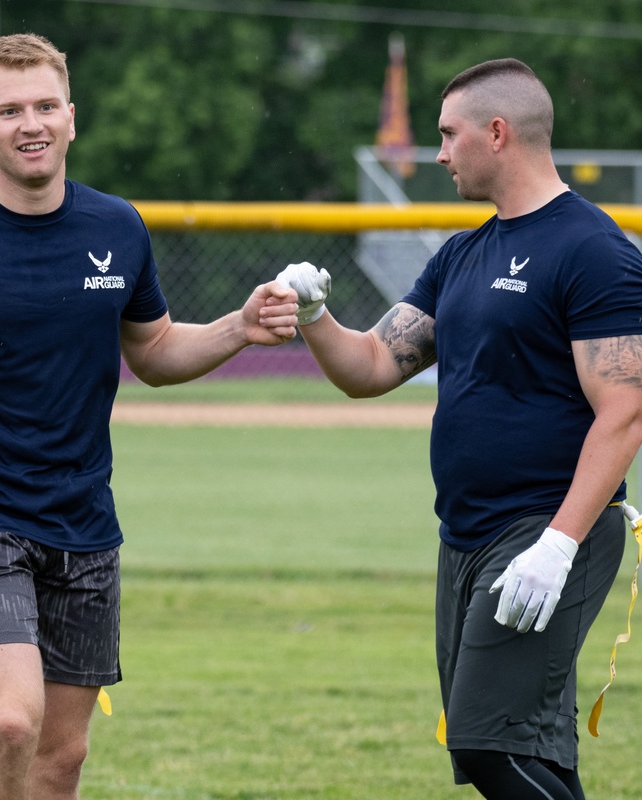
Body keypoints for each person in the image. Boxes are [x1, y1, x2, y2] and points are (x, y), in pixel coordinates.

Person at [0, 33, 299, 800]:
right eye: (8, 111)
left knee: (59, 758)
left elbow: (158, 351)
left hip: (85, 524)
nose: (30, 123)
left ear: (72, 117)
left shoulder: (117, 228)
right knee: (11, 724)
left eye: (45, 105)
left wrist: (239, 326)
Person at [276, 58, 642, 799]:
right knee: (532, 750)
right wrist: (314, 316)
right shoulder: (462, 254)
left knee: (485, 745)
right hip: (466, 534)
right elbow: (374, 365)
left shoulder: (593, 250)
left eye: (448, 135)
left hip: (543, 531)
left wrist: (559, 544)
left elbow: (626, 407)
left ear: (497, 133)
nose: (438, 154)